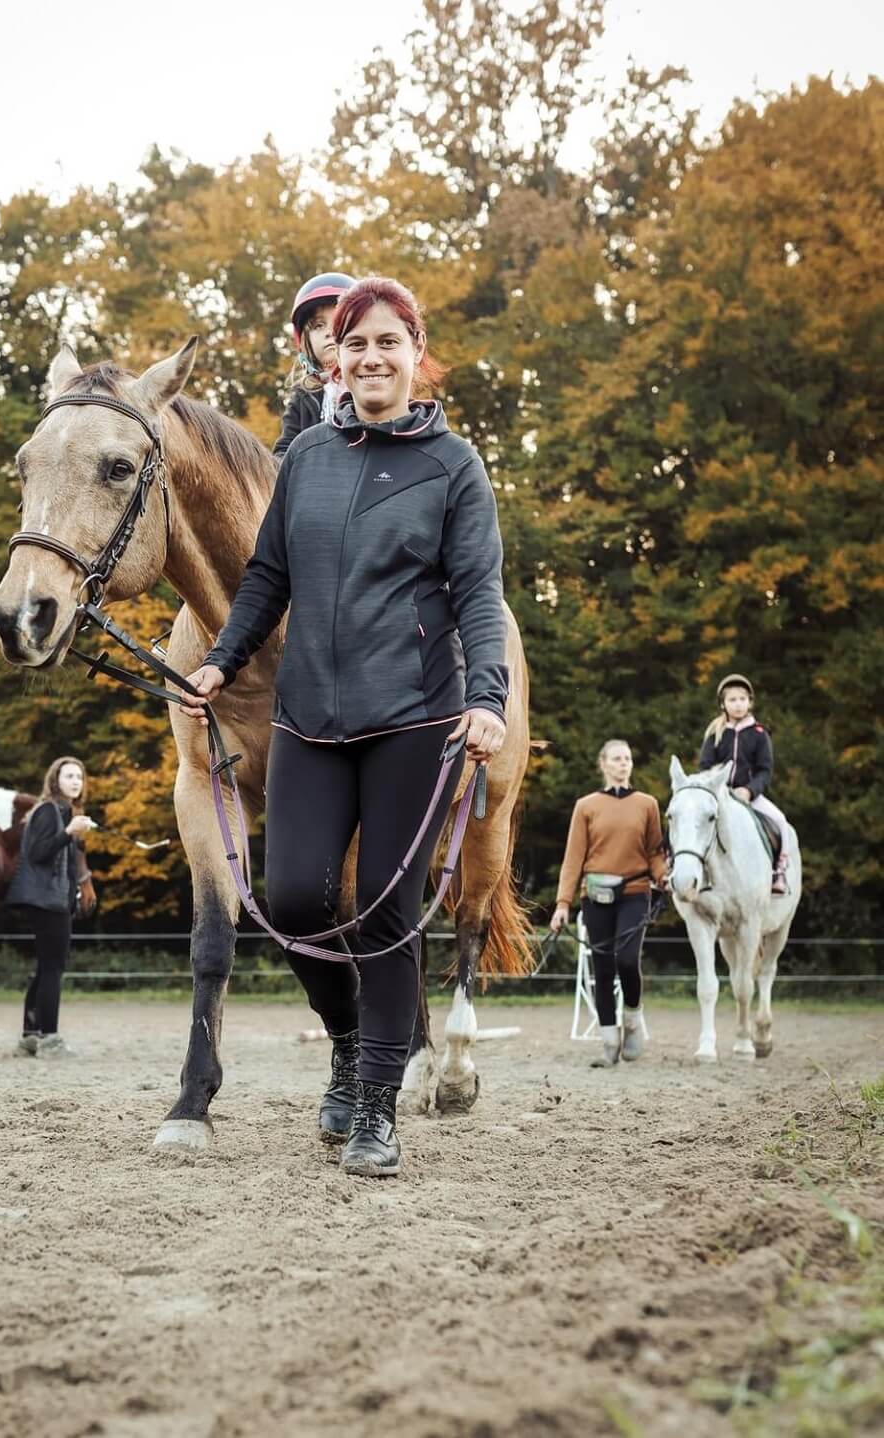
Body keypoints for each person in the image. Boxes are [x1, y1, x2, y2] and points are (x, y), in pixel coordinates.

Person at [180, 275, 508, 1178]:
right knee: (292, 904)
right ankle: (352, 1038)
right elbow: (266, 577)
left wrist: (488, 697)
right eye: (354, 345)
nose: (370, 358)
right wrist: (221, 657)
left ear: (415, 355)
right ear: (335, 358)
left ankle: (375, 1107)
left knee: (387, 917)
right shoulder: (309, 461)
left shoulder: (455, 466)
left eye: (388, 344)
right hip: (310, 721)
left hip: (413, 719)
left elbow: (480, 594)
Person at [549, 740, 667, 1068]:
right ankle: (608, 1041)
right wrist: (563, 904)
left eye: (627, 758)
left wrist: (664, 876)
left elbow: (655, 851)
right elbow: (573, 858)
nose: (623, 763)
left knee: (627, 961)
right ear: (604, 764)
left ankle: (632, 1021)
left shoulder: (647, 804)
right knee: (602, 968)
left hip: (635, 891)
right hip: (595, 895)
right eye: (616, 759)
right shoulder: (586, 806)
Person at [7, 756, 96, 1057]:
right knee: (53, 968)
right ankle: (50, 1038)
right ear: (55, 780)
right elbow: (37, 853)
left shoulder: (63, 812)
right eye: (69, 776)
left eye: (79, 777)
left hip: (55, 899)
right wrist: (67, 832)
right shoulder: (47, 811)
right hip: (47, 901)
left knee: (47, 967)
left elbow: (66, 860)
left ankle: (31, 1036)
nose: (75, 782)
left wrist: (74, 836)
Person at [699, 673, 791, 894]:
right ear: (723, 704)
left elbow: (765, 770)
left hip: (749, 795)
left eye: (742, 699)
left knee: (780, 821)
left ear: (750, 702)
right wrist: (716, 788)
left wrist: (749, 791)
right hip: (719, 795)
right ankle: (675, 862)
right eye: (732, 700)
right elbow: (705, 766)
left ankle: (779, 872)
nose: (738, 704)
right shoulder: (715, 733)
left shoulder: (759, 734)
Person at [271, 272, 356, 461]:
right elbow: (285, 449)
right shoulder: (303, 396)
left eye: (339, 323)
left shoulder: (368, 384)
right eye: (318, 326)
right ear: (305, 342)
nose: (329, 332)